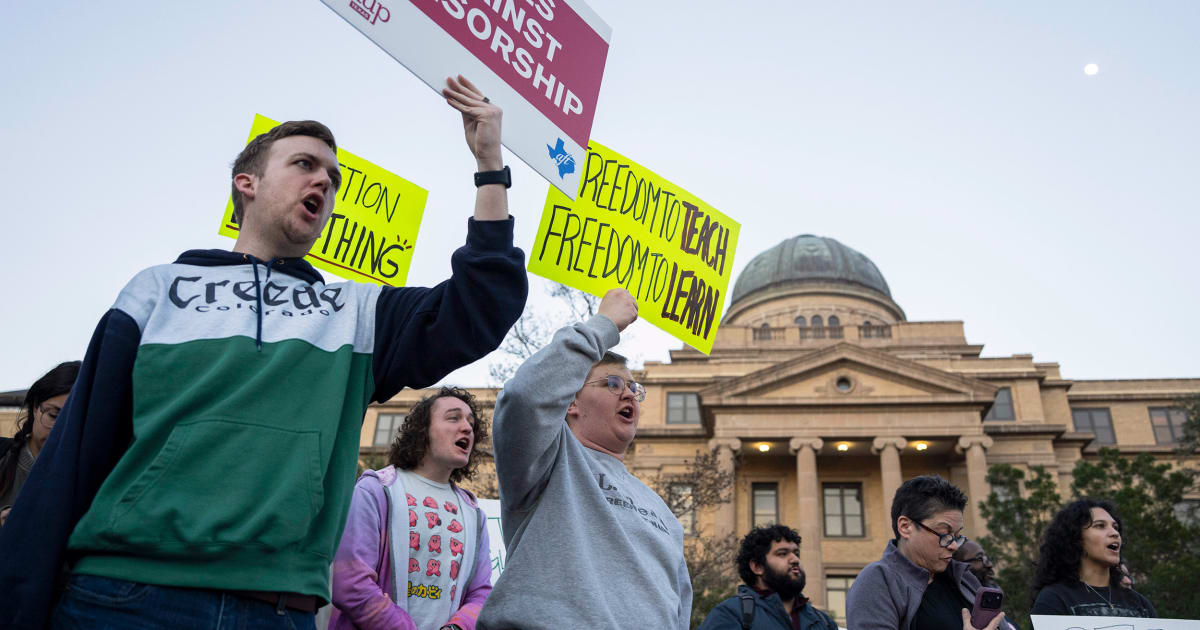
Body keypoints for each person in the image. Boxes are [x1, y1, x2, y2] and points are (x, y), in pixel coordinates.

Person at [0, 75, 527, 629]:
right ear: (246, 183)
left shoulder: (356, 314)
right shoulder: (156, 289)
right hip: (124, 596)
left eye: (334, 177)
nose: (324, 179)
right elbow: (75, 454)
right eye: (304, 164)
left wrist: (489, 164)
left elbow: (481, 304)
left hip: (278, 609)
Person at [477, 288, 692, 630]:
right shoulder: (546, 458)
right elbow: (524, 397)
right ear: (571, 403)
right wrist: (603, 325)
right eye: (612, 383)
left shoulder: (662, 511)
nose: (628, 394)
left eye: (635, 389)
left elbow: (679, 605)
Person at [329, 387, 493, 630]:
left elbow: (481, 594)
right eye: (453, 417)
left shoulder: (474, 515)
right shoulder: (376, 491)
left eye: (471, 422)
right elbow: (350, 582)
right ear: (423, 431)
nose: (468, 428)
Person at [845, 475, 1006, 630]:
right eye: (944, 534)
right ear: (905, 527)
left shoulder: (964, 579)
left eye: (957, 537)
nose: (954, 546)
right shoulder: (878, 581)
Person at [1030, 499, 1156, 617]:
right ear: (1076, 538)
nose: (1115, 533)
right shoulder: (1054, 599)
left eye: (1115, 527)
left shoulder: (1140, 604)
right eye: (1100, 526)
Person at [698, 524, 837, 630]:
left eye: (796, 553)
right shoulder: (731, 614)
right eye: (782, 554)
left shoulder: (823, 622)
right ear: (757, 567)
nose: (795, 559)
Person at [0, 361, 81, 526]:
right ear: (35, 408)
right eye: (53, 416)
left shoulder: (93, 477)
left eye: (75, 422)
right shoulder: (3, 456)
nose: (61, 430)